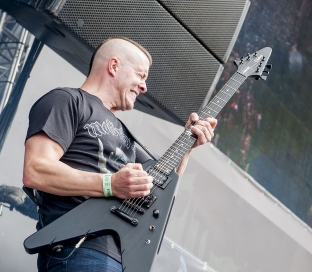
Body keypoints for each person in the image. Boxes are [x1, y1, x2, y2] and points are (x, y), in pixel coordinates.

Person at [22, 37, 217, 271]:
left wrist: (187, 146)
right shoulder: (67, 100)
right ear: (114, 66)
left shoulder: (126, 135)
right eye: (141, 75)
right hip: (77, 249)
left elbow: (156, 189)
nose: (144, 87)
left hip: (122, 258)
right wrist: (110, 185)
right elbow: (36, 170)